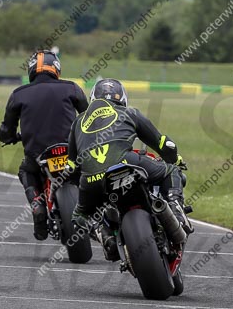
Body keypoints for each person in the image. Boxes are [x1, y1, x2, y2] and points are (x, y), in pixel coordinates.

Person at [67, 78, 193, 261]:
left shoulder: (78, 122)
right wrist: (174, 159)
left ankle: (104, 236)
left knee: (79, 216)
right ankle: (175, 209)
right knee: (171, 171)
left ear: (93, 98)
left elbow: (71, 168)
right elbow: (164, 144)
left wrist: (85, 179)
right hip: (125, 162)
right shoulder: (129, 112)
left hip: (91, 179)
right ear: (123, 98)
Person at [0, 50, 88, 240]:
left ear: (32, 69)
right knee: (92, 170)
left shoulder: (18, 94)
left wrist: (10, 137)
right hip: (71, 151)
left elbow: (5, 131)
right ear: (56, 69)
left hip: (37, 154)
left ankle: (37, 203)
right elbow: (88, 115)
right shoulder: (72, 88)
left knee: (26, 171)